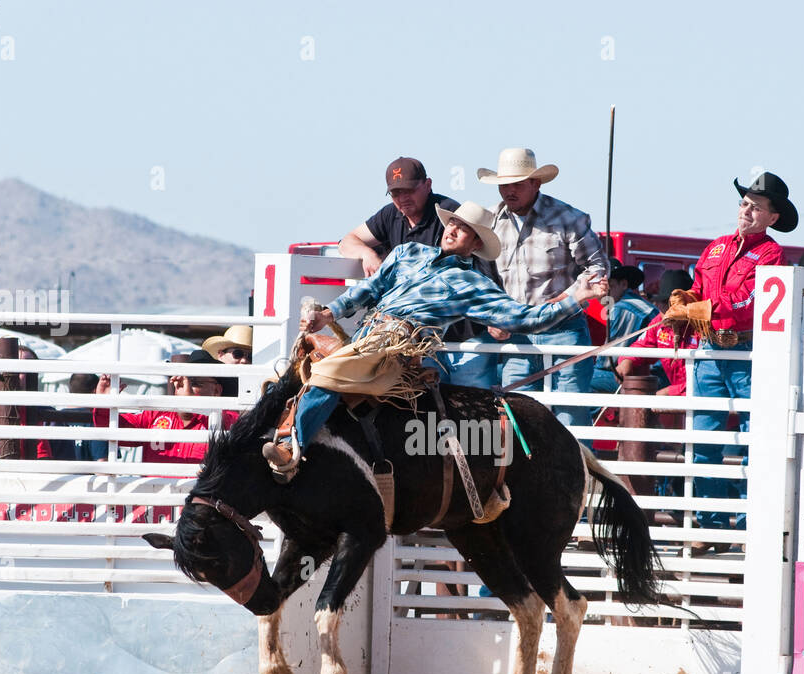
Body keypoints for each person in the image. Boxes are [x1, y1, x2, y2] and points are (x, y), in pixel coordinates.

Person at [275, 200, 609, 480]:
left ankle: (291, 451)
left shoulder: (472, 284)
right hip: (366, 335)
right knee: (291, 373)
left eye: (462, 229)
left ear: (475, 244)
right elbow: (368, 290)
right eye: (452, 223)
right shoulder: (407, 253)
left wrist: (576, 298)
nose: (451, 230)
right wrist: (329, 314)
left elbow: (523, 319)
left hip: (397, 348)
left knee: (328, 376)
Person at [686, 171, 795, 552]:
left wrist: (705, 306)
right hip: (711, 351)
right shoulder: (715, 247)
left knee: (754, 439)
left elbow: (753, 301)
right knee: (703, 438)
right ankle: (712, 526)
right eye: (744, 204)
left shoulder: (771, 254)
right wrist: (686, 299)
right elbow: (699, 287)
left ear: (772, 218)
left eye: (756, 207)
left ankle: (751, 527)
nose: (746, 211)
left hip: (746, 351)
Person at [479, 148, 609, 426]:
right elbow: (483, 278)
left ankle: (580, 470)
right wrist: (493, 316)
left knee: (570, 421)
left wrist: (567, 296)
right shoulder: (488, 221)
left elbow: (598, 269)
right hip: (518, 334)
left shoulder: (568, 218)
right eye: (504, 185)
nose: (509, 191)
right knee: (518, 422)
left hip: (563, 331)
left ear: (535, 183)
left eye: (517, 184)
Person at [92, 350, 239, 467]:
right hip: (155, 500)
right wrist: (105, 403)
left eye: (194, 382)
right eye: (181, 381)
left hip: (200, 502)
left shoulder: (227, 418)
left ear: (217, 391)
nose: (184, 386)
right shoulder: (156, 414)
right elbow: (115, 431)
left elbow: (231, 425)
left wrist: (191, 404)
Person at [338, 157, 462, 278]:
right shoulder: (390, 214)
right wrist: (367, 254)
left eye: (409, 190)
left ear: (428, 185)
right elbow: (347, 242)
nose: (403, 199)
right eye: (395, 193)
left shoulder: (448, 213)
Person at [615, 268, 697, 397]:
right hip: (680, 394)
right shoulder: (659, 323)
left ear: (688, 305)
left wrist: (670, 392)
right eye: (662, 301)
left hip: (702, 399)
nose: (663, 307)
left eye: (670, 303)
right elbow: (641, 345)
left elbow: (709, 380)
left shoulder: (703, 329)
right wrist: (627, 360)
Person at [591, 260, 658, 394]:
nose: (602, 291)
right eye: (598, 285)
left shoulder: (623, 308)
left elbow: (607, 363)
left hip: (650, 378)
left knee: (580, 379)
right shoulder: (635, 303)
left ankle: (601, 415)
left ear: (624, 284)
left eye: (609, 285)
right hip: (655, 375)